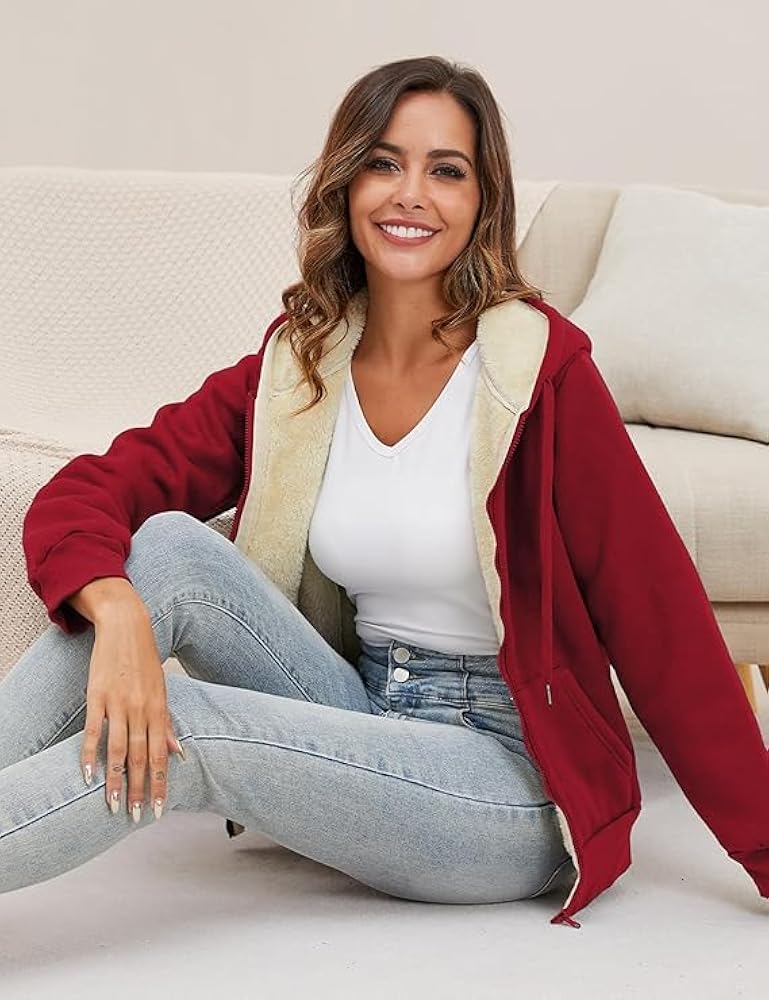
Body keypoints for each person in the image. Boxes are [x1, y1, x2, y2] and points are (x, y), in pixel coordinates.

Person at [2, 56, 768, 930]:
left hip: (504, 783)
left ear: (482, 202)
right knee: (167, 549)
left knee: (187, 728)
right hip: (358, 707)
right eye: (383, 163)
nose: (411, 194)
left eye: (446, 170)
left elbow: (658, 619)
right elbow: (90, 490)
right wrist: (118, 611)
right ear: (347, 183)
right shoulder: (301, 364)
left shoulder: (539, 373)